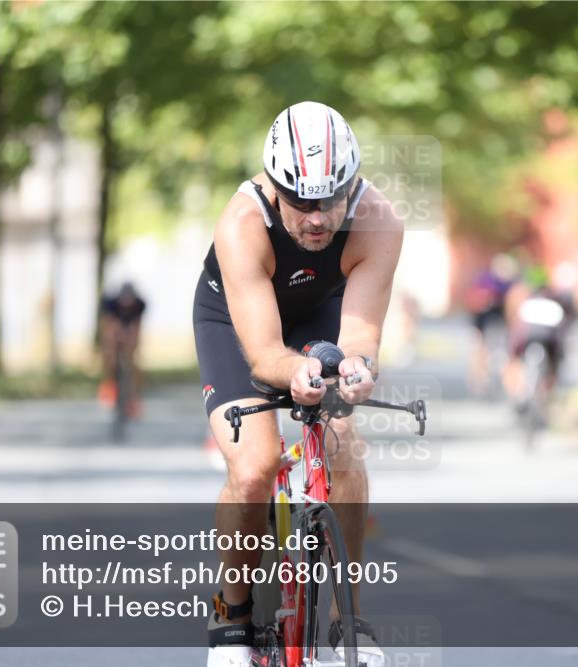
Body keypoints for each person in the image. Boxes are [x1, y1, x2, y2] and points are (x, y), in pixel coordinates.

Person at [193, 101, 403, 667]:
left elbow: (359, 337)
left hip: (319, 313)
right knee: (256, 464)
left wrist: (355, 371)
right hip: (238, 322)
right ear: (275, 185)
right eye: (302, 202)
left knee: (344, 452)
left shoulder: (379, 222)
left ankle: (346, 622)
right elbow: (264, 356)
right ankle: (233, 616)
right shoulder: (242, 224)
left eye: (333, 199)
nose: (319, 218)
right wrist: (294, 372)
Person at [503, 264, 577, 410]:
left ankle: (517, 394)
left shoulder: (524, 300)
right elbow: (566, 322)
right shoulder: (555, 299)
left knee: (513, 362)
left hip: (527, 337)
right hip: (550, 338)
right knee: (554, 366)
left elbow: (516, 325)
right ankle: (545, 397)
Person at [464, 253, 517, 397]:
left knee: (490, 351)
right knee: (479, 351)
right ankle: (478, 380)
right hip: (480, 322)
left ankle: (485, 380)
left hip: (493, 324)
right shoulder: (488, 282)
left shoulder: (506, 285)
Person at [97, 282, 146, 415]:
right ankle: (110, 382)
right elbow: (109, 326)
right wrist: (112, 347)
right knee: (110, 348)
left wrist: (132, 345)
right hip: (115, 324)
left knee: (133, 357)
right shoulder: (111, 304)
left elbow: (137, 327)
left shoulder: (139, 304)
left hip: (130, 327)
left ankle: (133, 395)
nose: (127, 305)